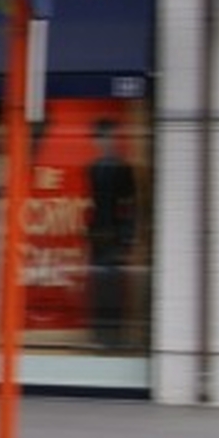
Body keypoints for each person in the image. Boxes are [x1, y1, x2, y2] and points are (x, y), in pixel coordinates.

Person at [86, 118, 138, 348]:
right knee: (99, 284)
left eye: (109, 137)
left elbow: (129, 205)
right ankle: (99, 334)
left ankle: (113, 335)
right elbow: (92, 204)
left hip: (115, 235)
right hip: (98, 235)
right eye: (101, 137)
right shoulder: (93, 168)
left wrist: (126, 239)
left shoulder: (124, 169)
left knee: (114, 286)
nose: (105, 142)